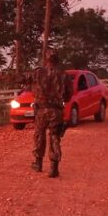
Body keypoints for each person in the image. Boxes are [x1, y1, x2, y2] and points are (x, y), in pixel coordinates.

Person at [30, 49, 70, 178]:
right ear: (57, 59)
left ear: (46, 59)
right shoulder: (63, 74)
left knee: (39, 135)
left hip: (41, 110)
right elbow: (69, 93)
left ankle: (38, 163)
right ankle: (54, 168)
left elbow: (22, 79)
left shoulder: (38, 73)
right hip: (56, 110)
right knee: (54, 136)